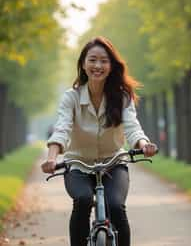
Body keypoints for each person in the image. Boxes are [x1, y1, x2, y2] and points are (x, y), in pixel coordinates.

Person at [41, 36, 157, 246]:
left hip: (114, 163)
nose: (98, 65)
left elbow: (132, 127)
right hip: (78, 165)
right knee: (83, 200)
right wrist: (51, 158)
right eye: (92, 60)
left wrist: (143, 145)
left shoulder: (122, 96)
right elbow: (62, 128)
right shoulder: (72, 97)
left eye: (104, 61)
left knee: (116, 206)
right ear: (83, 64)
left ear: (111, 66)